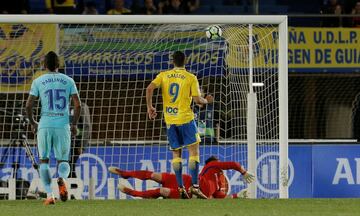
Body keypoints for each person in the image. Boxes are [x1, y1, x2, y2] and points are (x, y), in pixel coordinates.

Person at [146, 51, 213, 199]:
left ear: (173, 61)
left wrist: (150, 107)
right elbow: (197, 100)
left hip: (170, 121)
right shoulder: (190, 77)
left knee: (176, 154)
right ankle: (195, 187)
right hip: (186, 119)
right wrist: (207, 100)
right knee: (193, 152)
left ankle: (180, 188)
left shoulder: (163, 75)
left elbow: (149, 88)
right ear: (185, 61)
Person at [25, 51, 81, 205]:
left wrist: (32, 122)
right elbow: (78, 105)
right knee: (63, 160)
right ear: (58, 65)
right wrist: (74, 124)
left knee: (44, 161)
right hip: (62, 126)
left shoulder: (38, 81)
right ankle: (62, 179)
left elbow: (28, 105)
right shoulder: (68, 80)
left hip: (45, 125)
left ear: (44, 65)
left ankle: (50, 195)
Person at [109, 167, 192, 199]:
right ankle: (126, 174)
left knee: (163, 191)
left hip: (188, 194)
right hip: (187, 180)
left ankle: (133, 193)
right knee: (154, 175)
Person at [69, 102, 91, 179]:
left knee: (71, 165)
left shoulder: (82, 106)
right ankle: (71, 187)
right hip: (65, 143)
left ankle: (74, 187)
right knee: (66, 166)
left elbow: (87, 126)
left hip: (76, 143)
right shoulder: (63, 106)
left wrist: (81, 145)